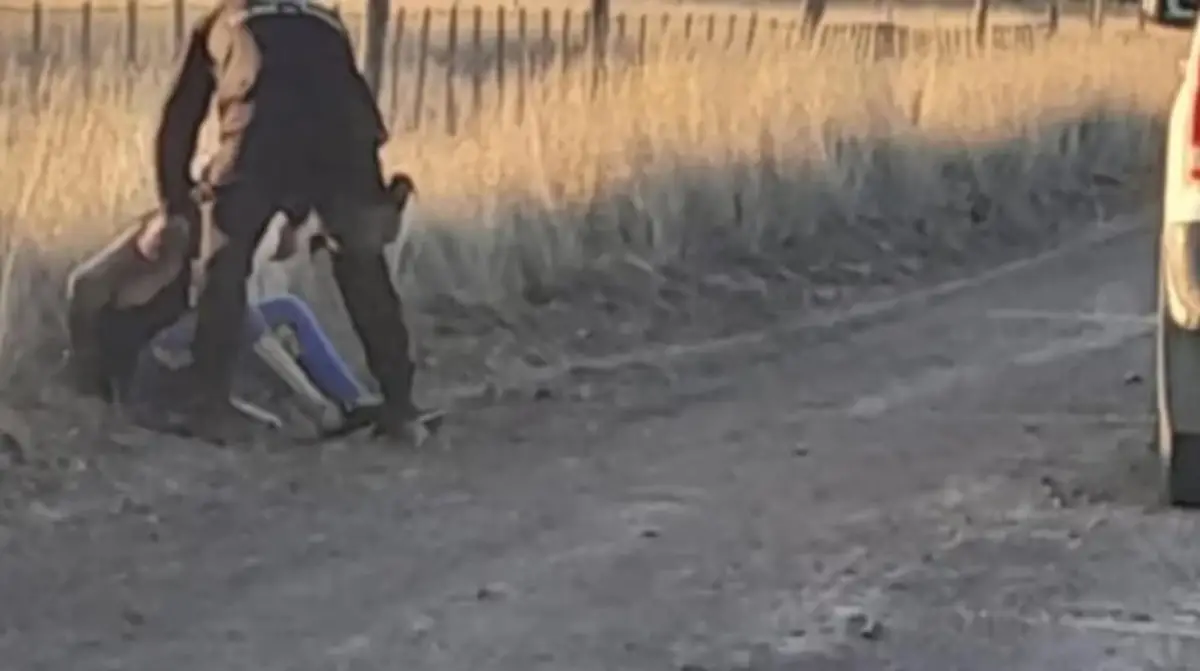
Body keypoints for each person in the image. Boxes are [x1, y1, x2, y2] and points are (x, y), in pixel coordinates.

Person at [155, 0, 420, 443]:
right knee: (362, 265)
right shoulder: (325, 20)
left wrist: (176, 202)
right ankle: (400, 404)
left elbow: (178, 121)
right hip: (347, 137)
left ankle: (208, 403)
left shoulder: (218, 22)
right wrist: (299, 213)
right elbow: (325, 98)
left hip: (258, 133)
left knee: (225, 264)